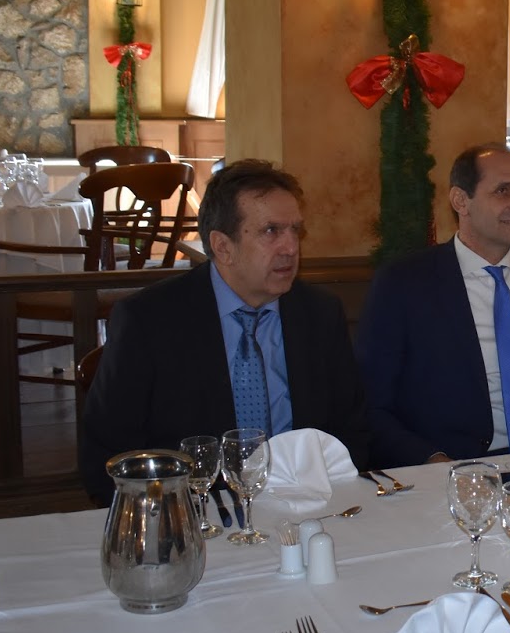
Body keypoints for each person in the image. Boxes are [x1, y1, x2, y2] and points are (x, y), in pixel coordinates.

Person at [80, 160, 370, 502]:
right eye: (271, 231)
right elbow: (107, 456)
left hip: (306, 505)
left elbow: (352, 430)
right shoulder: (149, 320)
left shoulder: (319, 314)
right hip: (195, 511)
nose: (291, 247)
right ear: (222, 247)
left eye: (295, 230)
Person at [357, 143, 510, 468]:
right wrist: (433, 461)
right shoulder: (405, 284)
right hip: (457, 466)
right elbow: (371, 405)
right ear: (461, 201)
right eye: (503, 191)